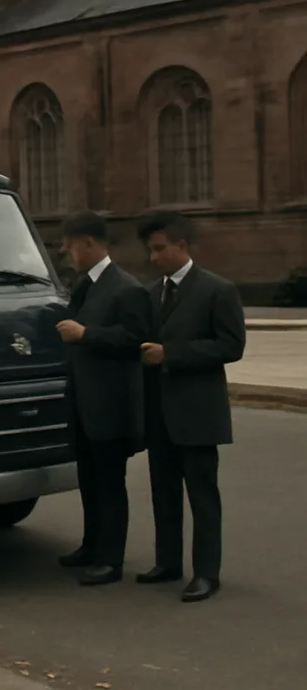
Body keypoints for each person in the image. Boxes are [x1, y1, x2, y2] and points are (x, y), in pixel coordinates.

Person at [135, 211, 246, 603]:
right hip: (159, 413)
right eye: (150, 250)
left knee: (202, 494)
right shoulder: (151, 294)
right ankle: (168, 562)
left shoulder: (218, 290)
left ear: (182, 246)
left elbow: (231, 346)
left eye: (160, 249)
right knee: (163, 491)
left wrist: (173, 354)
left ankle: (206, 573)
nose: (154, 257)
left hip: (198, 412)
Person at [55, 211, 150, 586]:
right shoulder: (84, 285)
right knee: (89, 480)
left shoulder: (126, 288)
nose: (67, 254)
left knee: (110, 484)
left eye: (70, 247)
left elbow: (135, 340)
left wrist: (86, 334)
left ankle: (111, 559)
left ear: (90, 244)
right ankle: (91, 546)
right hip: (83, 402)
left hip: (111, 405)